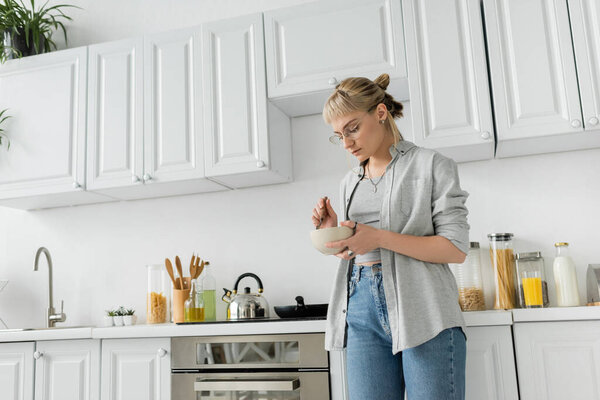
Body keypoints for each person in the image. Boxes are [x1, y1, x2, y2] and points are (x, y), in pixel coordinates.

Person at [311, 73, 470, 399]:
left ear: (380, 113)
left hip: (424, 308)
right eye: (338, 135)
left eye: (352, 128)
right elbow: (355, 249)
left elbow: (455, 248)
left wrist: (378, 238)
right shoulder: (348, 183)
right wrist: (333, 235)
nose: (346, 143)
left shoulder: (432, 165)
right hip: (359, 310)